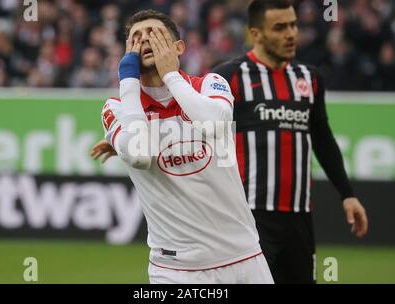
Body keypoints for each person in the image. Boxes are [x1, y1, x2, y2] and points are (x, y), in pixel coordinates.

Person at [91, 9, 273, 284]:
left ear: (179, 47)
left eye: (155, 34)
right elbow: (140, 155)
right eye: (136, 38)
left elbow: (214, 124)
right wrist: (127, 79)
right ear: (128, 52)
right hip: (175, 270)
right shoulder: (117, 107)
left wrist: (170, 76)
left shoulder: (210, 85)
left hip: (243, 257)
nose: (145, 41)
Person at [211, 0, 368, 284]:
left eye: (293, 25)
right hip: (249, 217)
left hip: (299, 216)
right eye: (280, 27)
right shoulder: (228, 77)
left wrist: (348, 194)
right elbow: (194, 128)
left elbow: (322, 138)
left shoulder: (310, 78)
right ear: (256, 34)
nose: (291, 34)